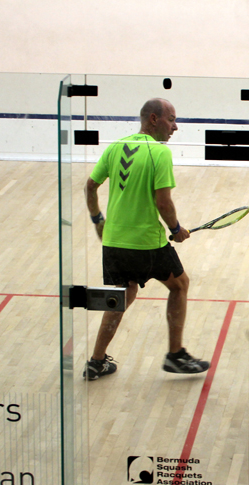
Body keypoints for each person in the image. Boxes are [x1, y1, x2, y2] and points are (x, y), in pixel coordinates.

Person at [82, 98, 210, 380]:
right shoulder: (159, 153)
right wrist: (176, 230)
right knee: (180, 285)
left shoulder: (116, 146)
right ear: (154, 119)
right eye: (171, 120)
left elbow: (90, 187)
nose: (175, 127)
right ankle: (175, 355)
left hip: (113, 241)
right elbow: (163, 203)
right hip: (146, 242)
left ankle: (96, 361)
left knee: (122, 294)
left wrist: (98, 221)